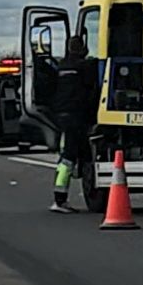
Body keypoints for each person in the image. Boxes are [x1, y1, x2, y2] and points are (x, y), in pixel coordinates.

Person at [47, 32, 98, 214]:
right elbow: (93, 90)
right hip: (77, 116)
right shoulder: (85, 67)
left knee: (80, 154)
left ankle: (82, 191)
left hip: (63, 115)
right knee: (69, 157)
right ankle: (59, 199)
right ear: (83, 49)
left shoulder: (62, 67)